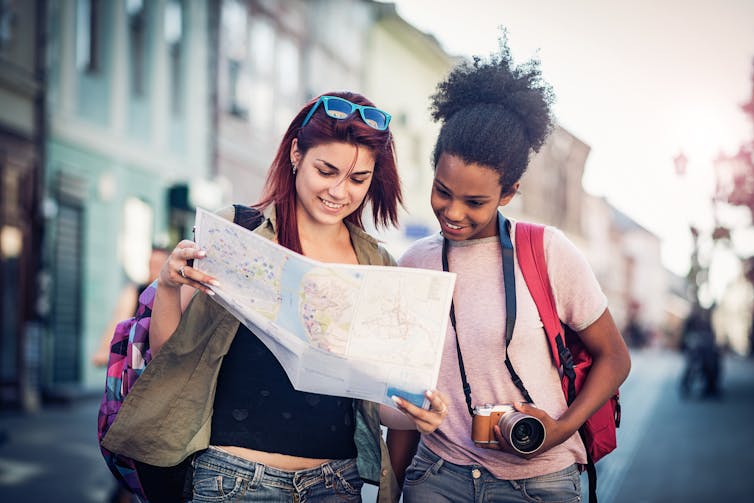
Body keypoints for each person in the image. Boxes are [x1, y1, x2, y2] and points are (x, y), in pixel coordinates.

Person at [100, 91, 448, 503]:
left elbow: (376, 405)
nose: (340, 191)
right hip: (233, 479)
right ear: (296, 154)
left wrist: (416, 413)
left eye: (358, 179)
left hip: (336, 482)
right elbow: (170, 356)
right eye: (326, 170)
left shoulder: (377, 263)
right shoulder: (239, 233)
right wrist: (170, 285)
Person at [386, 39, 631, 502]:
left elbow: (615, 359)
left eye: (474, 202)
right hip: (436, 475)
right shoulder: (415, 262)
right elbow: (406, 393)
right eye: (442, 191)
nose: (452, 212)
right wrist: (390, 489)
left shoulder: (548, 252)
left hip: (539, 482)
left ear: (509, 192)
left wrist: (559, 430)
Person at [91, 246, 170, 367]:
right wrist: (104, 349)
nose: (153, 270)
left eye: (158, 265)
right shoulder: (135, 292)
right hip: (136, 360)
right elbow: (118, 321)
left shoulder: (174, 295)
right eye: (151, 265)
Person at [680, 306, 721, 398]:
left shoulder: (707, 320)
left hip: (706, 349)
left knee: (712, 365)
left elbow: (712, 335)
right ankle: (686, 386)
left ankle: (711, 387)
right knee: (692, 367)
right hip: (694, 348)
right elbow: (685, 335)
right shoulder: (690, 320)